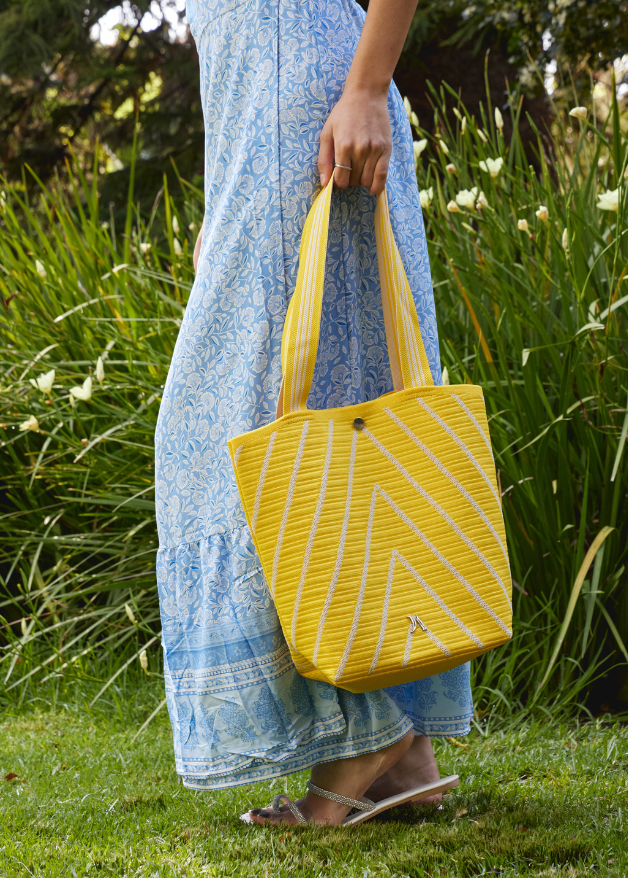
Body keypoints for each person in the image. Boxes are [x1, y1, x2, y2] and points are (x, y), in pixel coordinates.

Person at [154, 0, 473, 826]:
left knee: (244, 428)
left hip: (315, 105)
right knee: (341, 403)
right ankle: (403, 750)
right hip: (266, 124)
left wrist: (366, 87)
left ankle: (367, 737)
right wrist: (225, 180)